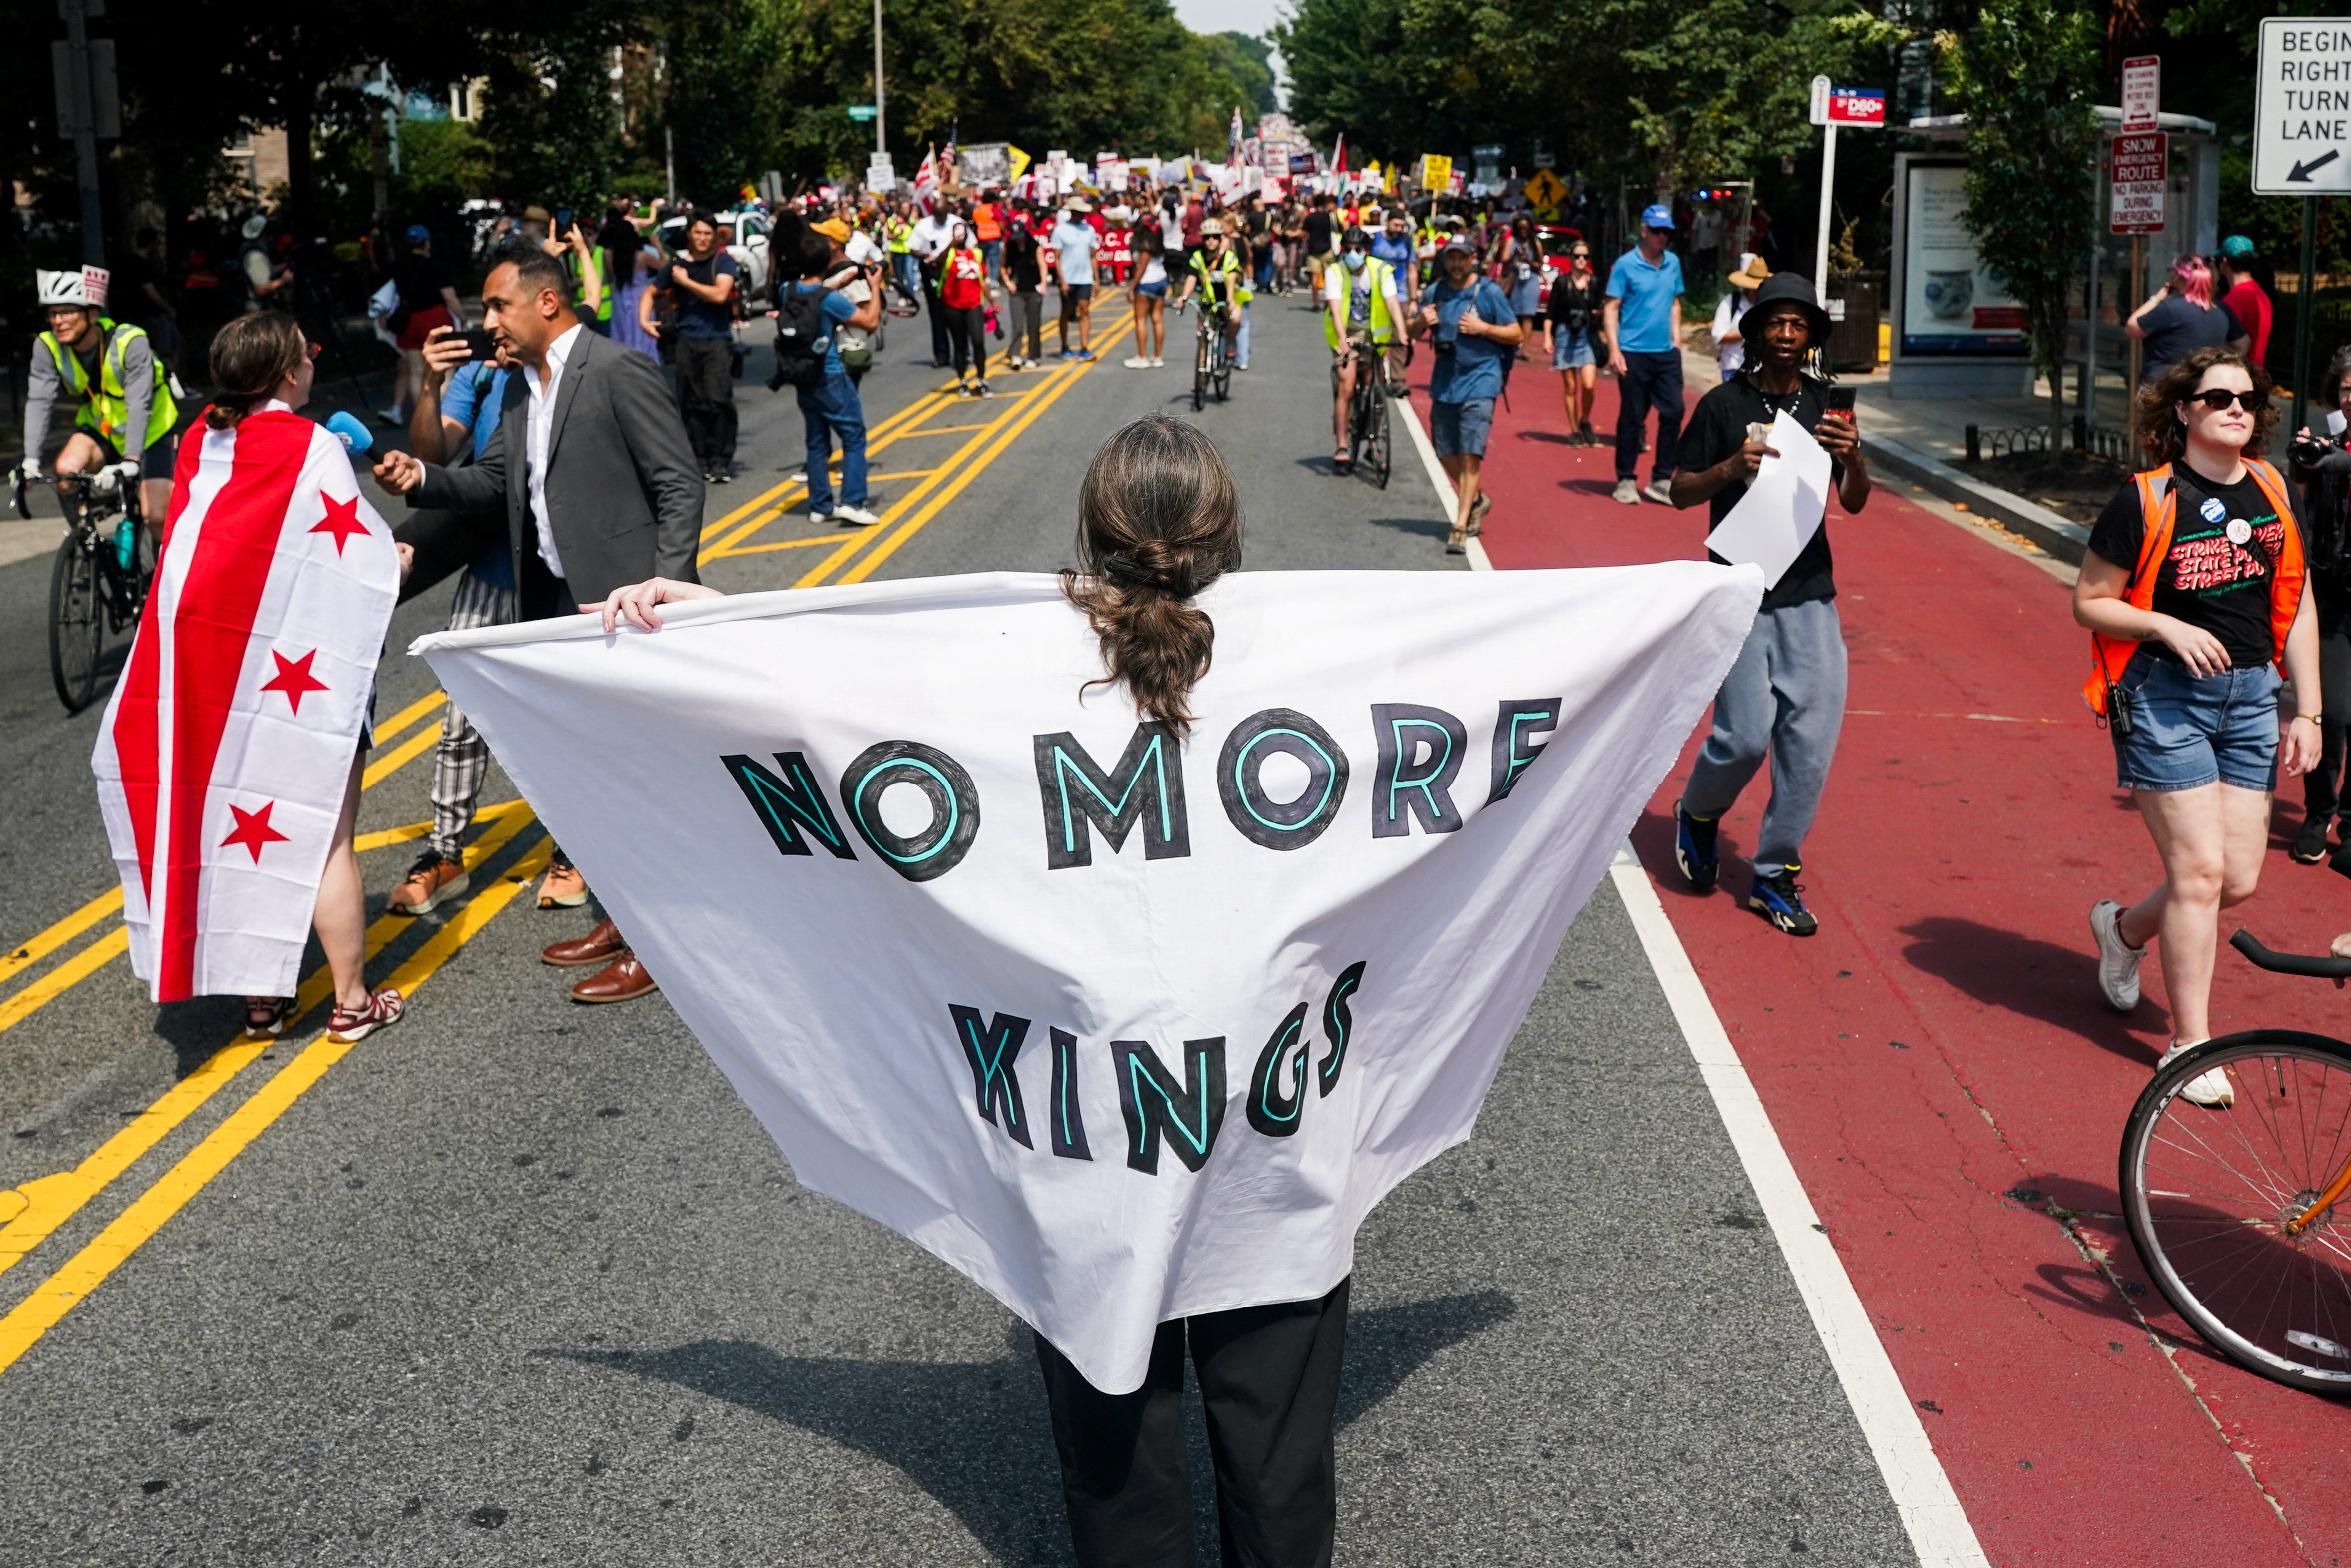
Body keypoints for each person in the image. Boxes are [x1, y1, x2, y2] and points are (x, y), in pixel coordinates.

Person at [577, 413, 1352, 1568]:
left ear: (1087, 537)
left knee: (1114, 1427)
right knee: (1278, 1435)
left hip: (1084, 1117)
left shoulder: (997, 650)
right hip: (1265, 1103)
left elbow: (837, 682)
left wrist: (709, 624)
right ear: (1224, 533)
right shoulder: (1326, 650)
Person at [372, 240, 706, 1005]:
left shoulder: (616, 370)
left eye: (498, 305)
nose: (487, 320)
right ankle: (623, 921)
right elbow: (497, 480)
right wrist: (420, 477)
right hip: (556, 602)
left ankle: (664, 945)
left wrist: (669, 590)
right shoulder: (524, 387)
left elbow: (678, 483)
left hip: (628, 609)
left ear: (546, 302)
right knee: (590, 777)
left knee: (638, 782)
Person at [2079, 346, 2316, 1108]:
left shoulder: (2271, 488)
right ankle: (2188, 1045)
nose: (2235, 410)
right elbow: (2090, 600)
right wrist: (2159, 627)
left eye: (2246, 398)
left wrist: (2304, 706)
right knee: (2199, 876)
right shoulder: (2145, 498)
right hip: (2163, 696)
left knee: (2235, 881)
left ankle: (2121, 932)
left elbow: (2298, 599)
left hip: (2249, 696)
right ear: (2182, 411)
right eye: (2216, 399)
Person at [196, 313, 405, 1043]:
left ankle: (262, 998)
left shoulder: (202, 441)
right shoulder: (310, 444)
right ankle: (351, 999)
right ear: (290, 373)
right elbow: (356, 555)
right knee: (328, 839)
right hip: (304, 672)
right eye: (308, 356)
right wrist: (400, 560)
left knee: (251, 833)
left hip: (226, 676)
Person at [1667, 274, 1872, 938]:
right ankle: (1698, 812)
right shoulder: (1723, 405)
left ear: (1813, 335)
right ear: (1755, 333)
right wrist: (1733, 466)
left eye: (1798, 325)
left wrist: (1855, 459)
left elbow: (1855, 500)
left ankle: (1773, 873)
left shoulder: (1824, 405)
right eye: (1774, 325)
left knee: (1807, 747)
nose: (1786, 337)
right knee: (1744, 736)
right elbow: (1677, 492)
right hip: (1739, 590)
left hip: (1810, 594)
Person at [387, 325, 519, 917]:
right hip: (493, 569)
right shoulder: (481, 373)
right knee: (461, 719)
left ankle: (577, 852)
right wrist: (432, 384)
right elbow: (434, 453)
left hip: (563, 574)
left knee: (571, 722)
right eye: (486, 308)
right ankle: (445, 853)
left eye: (502, 306)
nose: (492, 323)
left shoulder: (574, 371)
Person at [23, 267, 180, 528]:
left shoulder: (130, 341)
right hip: (103, 428)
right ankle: (86, 544)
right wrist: (31, 459)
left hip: (152, 431)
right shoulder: (47, 346)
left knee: (156, 517)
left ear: (92, 314)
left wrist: (131, 459)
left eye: (68, 312)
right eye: (53, 314)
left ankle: (160, 568)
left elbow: (139, 402)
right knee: (65, 473)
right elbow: (40, 401)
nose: (58, 321)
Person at [1408, 236, 1521, 553]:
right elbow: (1412, 333)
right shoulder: (1436, 292)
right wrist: (1421, 322)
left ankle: (1459, 524)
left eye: (1462, 258)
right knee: (1445, 451)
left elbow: (1517, 333)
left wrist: (1484, 328)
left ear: (1474, 259)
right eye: (1450, 258)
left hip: (1482, 381)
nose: (1456, 264)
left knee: (1471, 452)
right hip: (1445, 382)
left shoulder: (1490, 293)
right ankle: (1478, 498)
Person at [2288, 346, 2351, 865]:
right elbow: (2300, 496)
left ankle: (2350, 824)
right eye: (2347, 389)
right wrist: (2305, 463)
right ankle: (2317, 812)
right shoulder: (2329, 437)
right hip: (2333, 600)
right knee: (2331, 711)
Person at [780, 228, 884, 525]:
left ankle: (820, 505)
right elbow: (870, 321)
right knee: (853, 437)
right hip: (831, 374)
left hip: (802, 375)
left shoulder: (786, 290)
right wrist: (875, 287)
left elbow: (815, 293)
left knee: (816, 441)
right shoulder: (830, 300)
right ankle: (852, 501)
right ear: (827, 259)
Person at [1605, 204, 1687, 506]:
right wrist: (1615, 349)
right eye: (1656, 231)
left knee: (1675, 411)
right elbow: (1611, 308)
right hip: (1633, 352)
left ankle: (1662, 478)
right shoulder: (1625, 265)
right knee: (1633, 418)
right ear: (1643, 230)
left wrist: (1676, 341)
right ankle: (1625, 479)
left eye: (1666, 232)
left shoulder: (1673, 263)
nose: (1661, 237)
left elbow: (1675, 303)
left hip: (1666, 354)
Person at [659, 213, 740, 484]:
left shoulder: (723, 262)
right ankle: (699, 459)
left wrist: (686, 283)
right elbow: (650, 292)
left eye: (708, 233)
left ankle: (720, 460)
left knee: (719, 399)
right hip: (687, 339)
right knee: (691, 401)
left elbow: (720, 295)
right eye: (698, 233)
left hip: (716, 339)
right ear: (689, 235)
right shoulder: (678, 266)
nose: (703, 238)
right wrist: (644, 322)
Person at [1324, 226, 1402, 472]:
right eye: (1348, 249)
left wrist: (1404, 335)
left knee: (1374, 388)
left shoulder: (1380, 270)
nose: (1353, 253)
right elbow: (1336, 310)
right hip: (1346, 335)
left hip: (1374, 336)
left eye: (1358, 249)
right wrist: (1343, 339)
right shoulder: (1335, 271)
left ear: (1367, 251)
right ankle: (1342, 444)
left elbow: (1392, 303)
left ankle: (1372, 443)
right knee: (1347, 387)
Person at [384, 225, 467, 427]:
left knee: (415, 372)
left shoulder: (398, 267)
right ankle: (437, 412)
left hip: (410, 321)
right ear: (427, 242)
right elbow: (450, 298)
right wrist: (462, 318)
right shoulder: (434, 266)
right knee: (447, 368)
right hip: (436, 319)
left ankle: (421, 415)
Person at [2126, 255, 2248, 385]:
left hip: (2164, 387)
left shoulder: (2169, 309)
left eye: (2171, 271)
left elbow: (2132, 328)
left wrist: (2158, 298)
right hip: (2202, 385)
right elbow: (2243, 344)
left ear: (2178, 276)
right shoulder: (2222, 310)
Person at [1545, 240, 1603, 445]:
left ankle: (1585, 419)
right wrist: (1547, 338)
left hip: (1586, 336)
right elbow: (1551, 313)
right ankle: (1575, 430)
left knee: (1589, 384)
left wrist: (1599, 314)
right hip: (1565, 334)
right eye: (1577, 256)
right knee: (1570, 387)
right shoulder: (1562, 283)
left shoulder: (1595, 283)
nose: (1581, 260)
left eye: (1585, 257)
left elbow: (1600, 310)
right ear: (1571, 258)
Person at [1173, 218, 1246, 380]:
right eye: (1207, 237)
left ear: (1221, 238)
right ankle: (1201, 376)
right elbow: (1192, 278)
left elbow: (1231, 279)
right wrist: (1185, 297)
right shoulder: (1197, 257)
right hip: (1207, 302)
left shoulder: (1229, 258)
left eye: (1215, 237)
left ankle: (1230, 343)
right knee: (1203, 337)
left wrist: (1230, 300)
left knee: (1235, 319)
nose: (1211, 241)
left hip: (1226, 299)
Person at [939, 218, 992, 397]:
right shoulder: (950, 254)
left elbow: (982, 279)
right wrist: (950, 245)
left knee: (978, 342)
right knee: (960, 344)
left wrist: (992, 301)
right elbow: (938, 262)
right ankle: (963, 380)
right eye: (957, 232)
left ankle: (981, 380)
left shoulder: (976, 254)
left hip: (974, 303)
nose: (961, 236)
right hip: (953, 304)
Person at [1053, 199, 1103, 361]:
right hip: (1068, 278)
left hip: (1085, 278)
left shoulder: (1089, 229)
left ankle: (1084, 347)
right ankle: (1064, 346)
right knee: (1066, 313)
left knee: (1084, 311)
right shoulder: (1060, 230)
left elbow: (1093, 255)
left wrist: (1096, 280)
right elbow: (1057, 258)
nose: (1082, 215)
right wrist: (1062, 281)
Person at [911, 200, 959, 367]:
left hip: (954, 270)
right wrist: (925, 256)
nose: (941, 219)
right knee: (937, 313)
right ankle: (942, 355)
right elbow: (913, 248)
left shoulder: (957, 223)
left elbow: (971, 245)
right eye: (938, 216)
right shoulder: (923, 226)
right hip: (932, 270)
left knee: (956, 312)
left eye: (944, 215)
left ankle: (962, 352)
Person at [1001, 209, 1047, 370]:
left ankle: (1033, 356)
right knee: (1018, 325)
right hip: (1017, 291)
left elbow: (1043, 266)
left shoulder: (1035, 246)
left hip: (1033, 289)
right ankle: (1015, 355)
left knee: (1034, 325)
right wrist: (1008, 282)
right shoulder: (1010, 247)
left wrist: (1043, 284)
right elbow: (1003, 267)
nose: (1018, 240)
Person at [2219, 236, 2274, 367]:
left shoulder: (2233, 301)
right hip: (2255, 376)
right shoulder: (2261, 295)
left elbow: (2231, 346)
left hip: (2238, 378)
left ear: (2225, 262)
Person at [1712, 256, 1767, 382]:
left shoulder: (1768, 307)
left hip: (1762, 371)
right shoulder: (1731, 303)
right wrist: (1747, 334)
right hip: (1734, 369)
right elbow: (1718, 336)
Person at [1125, 220, 1169, 369]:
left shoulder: (1145, 248)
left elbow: (1141, 269)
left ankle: (1142, 357)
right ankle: (1157, 356)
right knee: (1157, 320)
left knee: (1141, 320)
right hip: (1161, 281)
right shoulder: (1159, 246)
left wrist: (1131, 288)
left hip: (1146, 283)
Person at [1498, 214, 1542, 357]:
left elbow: (1539, 265)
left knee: (1528, 316)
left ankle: (1526, 349)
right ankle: (1512, 345)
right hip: (1515, 279)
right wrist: (1515, 256)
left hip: (1531, 280)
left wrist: (1528, 260)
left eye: (1526, 228)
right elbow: (1504, 261)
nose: (1524, 231)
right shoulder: (1512, 241)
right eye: (1521, 228)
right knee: (1513, 314)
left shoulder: (1536, 244)